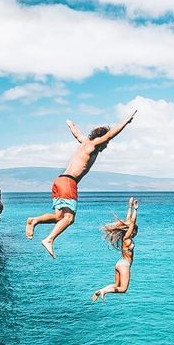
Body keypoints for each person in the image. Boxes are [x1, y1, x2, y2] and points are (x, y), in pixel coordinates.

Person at [25, 110, 137, 258]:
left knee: (59, 217)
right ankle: (49, 239)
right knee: (69, 219)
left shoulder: (85, 142)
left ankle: (35, 220)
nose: (106, 145)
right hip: (69, 183)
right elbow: (110, 134)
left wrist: (71, 125)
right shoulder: (93, 145)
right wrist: (126, 121)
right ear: (101, 138)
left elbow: (77, 134)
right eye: (106, 142)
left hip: (59, 181)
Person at [92, 197, 138, 301]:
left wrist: (130, 206)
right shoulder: (127, 238)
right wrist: (135, 209)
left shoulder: (124, 238)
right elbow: (132, 222)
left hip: (119, 263)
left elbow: (128, 221)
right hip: (125, 265)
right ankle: (105, 291)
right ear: (133, 231)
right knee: (123, 289)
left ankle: (101, 290)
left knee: (116, 284)